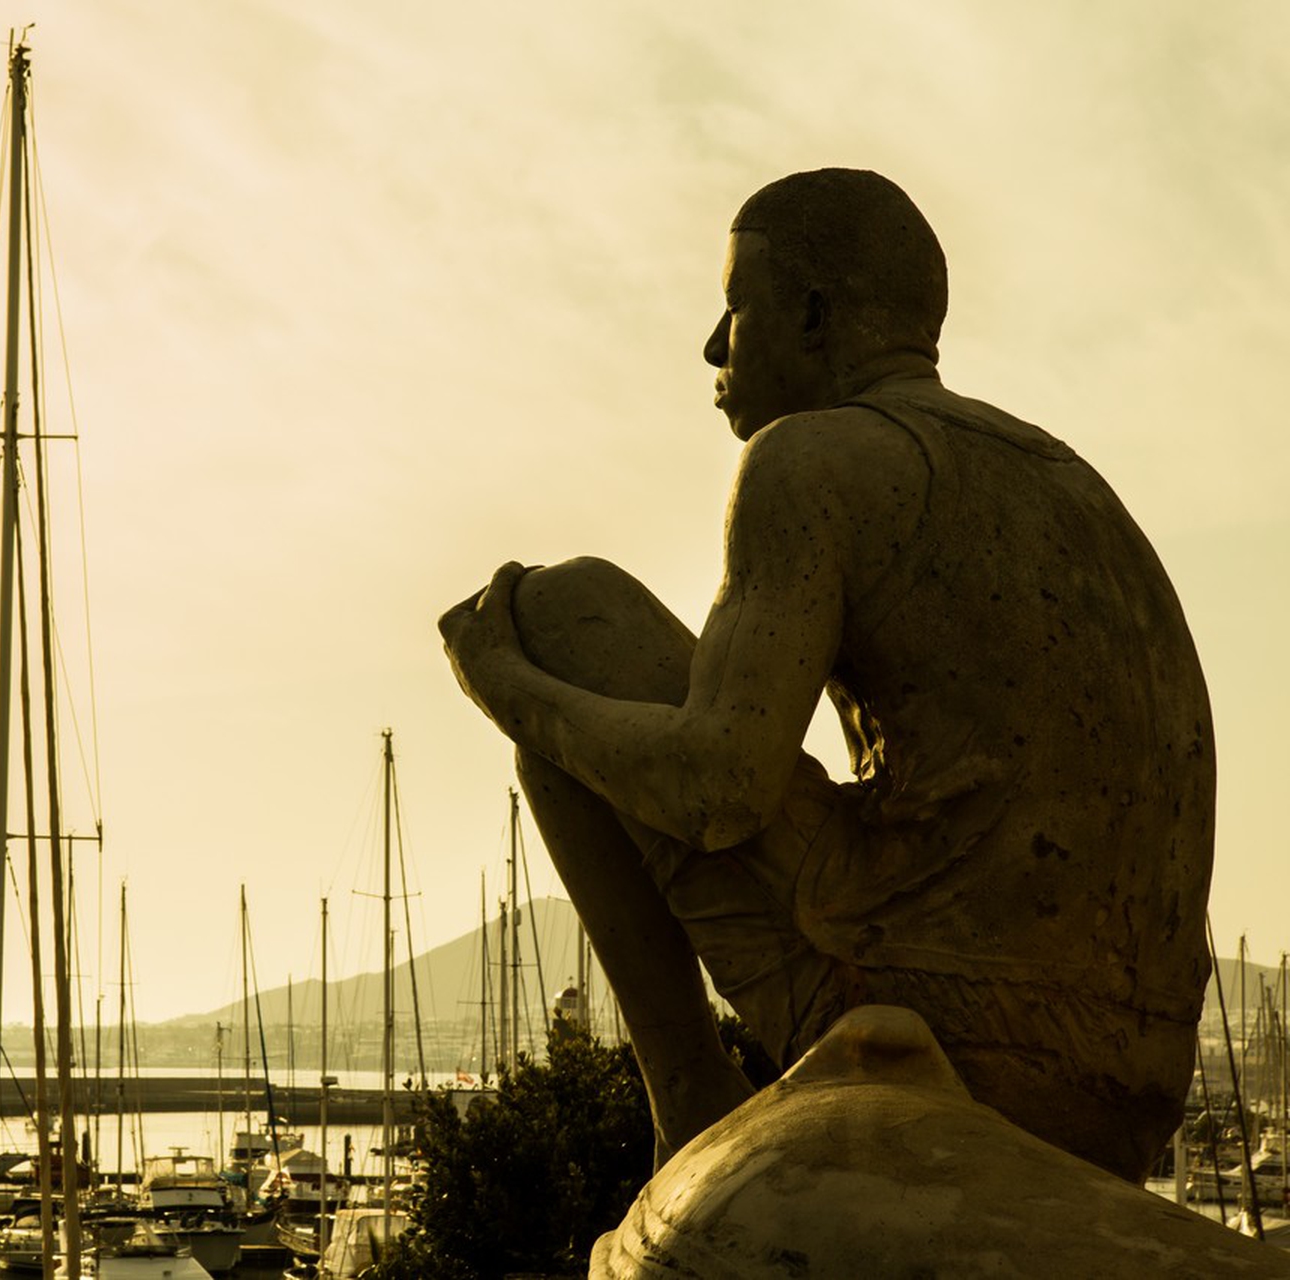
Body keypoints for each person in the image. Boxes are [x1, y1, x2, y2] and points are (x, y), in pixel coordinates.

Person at [439, 168, 1213, 1183]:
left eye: (736, 305)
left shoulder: (812, 461)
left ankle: (691, 1115)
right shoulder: (1070, 483)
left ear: (812, 315)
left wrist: (503, 683)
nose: (715, 346)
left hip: (952, 1038)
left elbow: (716, 789)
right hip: (1134, 1087)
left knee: (558, 614)